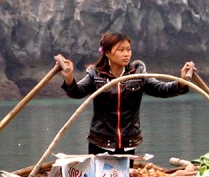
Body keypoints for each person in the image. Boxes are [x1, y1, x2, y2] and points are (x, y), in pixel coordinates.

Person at [54, 33, 196, 155]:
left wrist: (182, 81)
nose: (126, 53)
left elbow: (162, 89)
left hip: (129, 143)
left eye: (128, 49)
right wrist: (69, 77)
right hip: (101, 142)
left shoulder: (137, 74)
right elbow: (76, 92)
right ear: (108, 53)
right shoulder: (95, 75)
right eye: (121, 50)